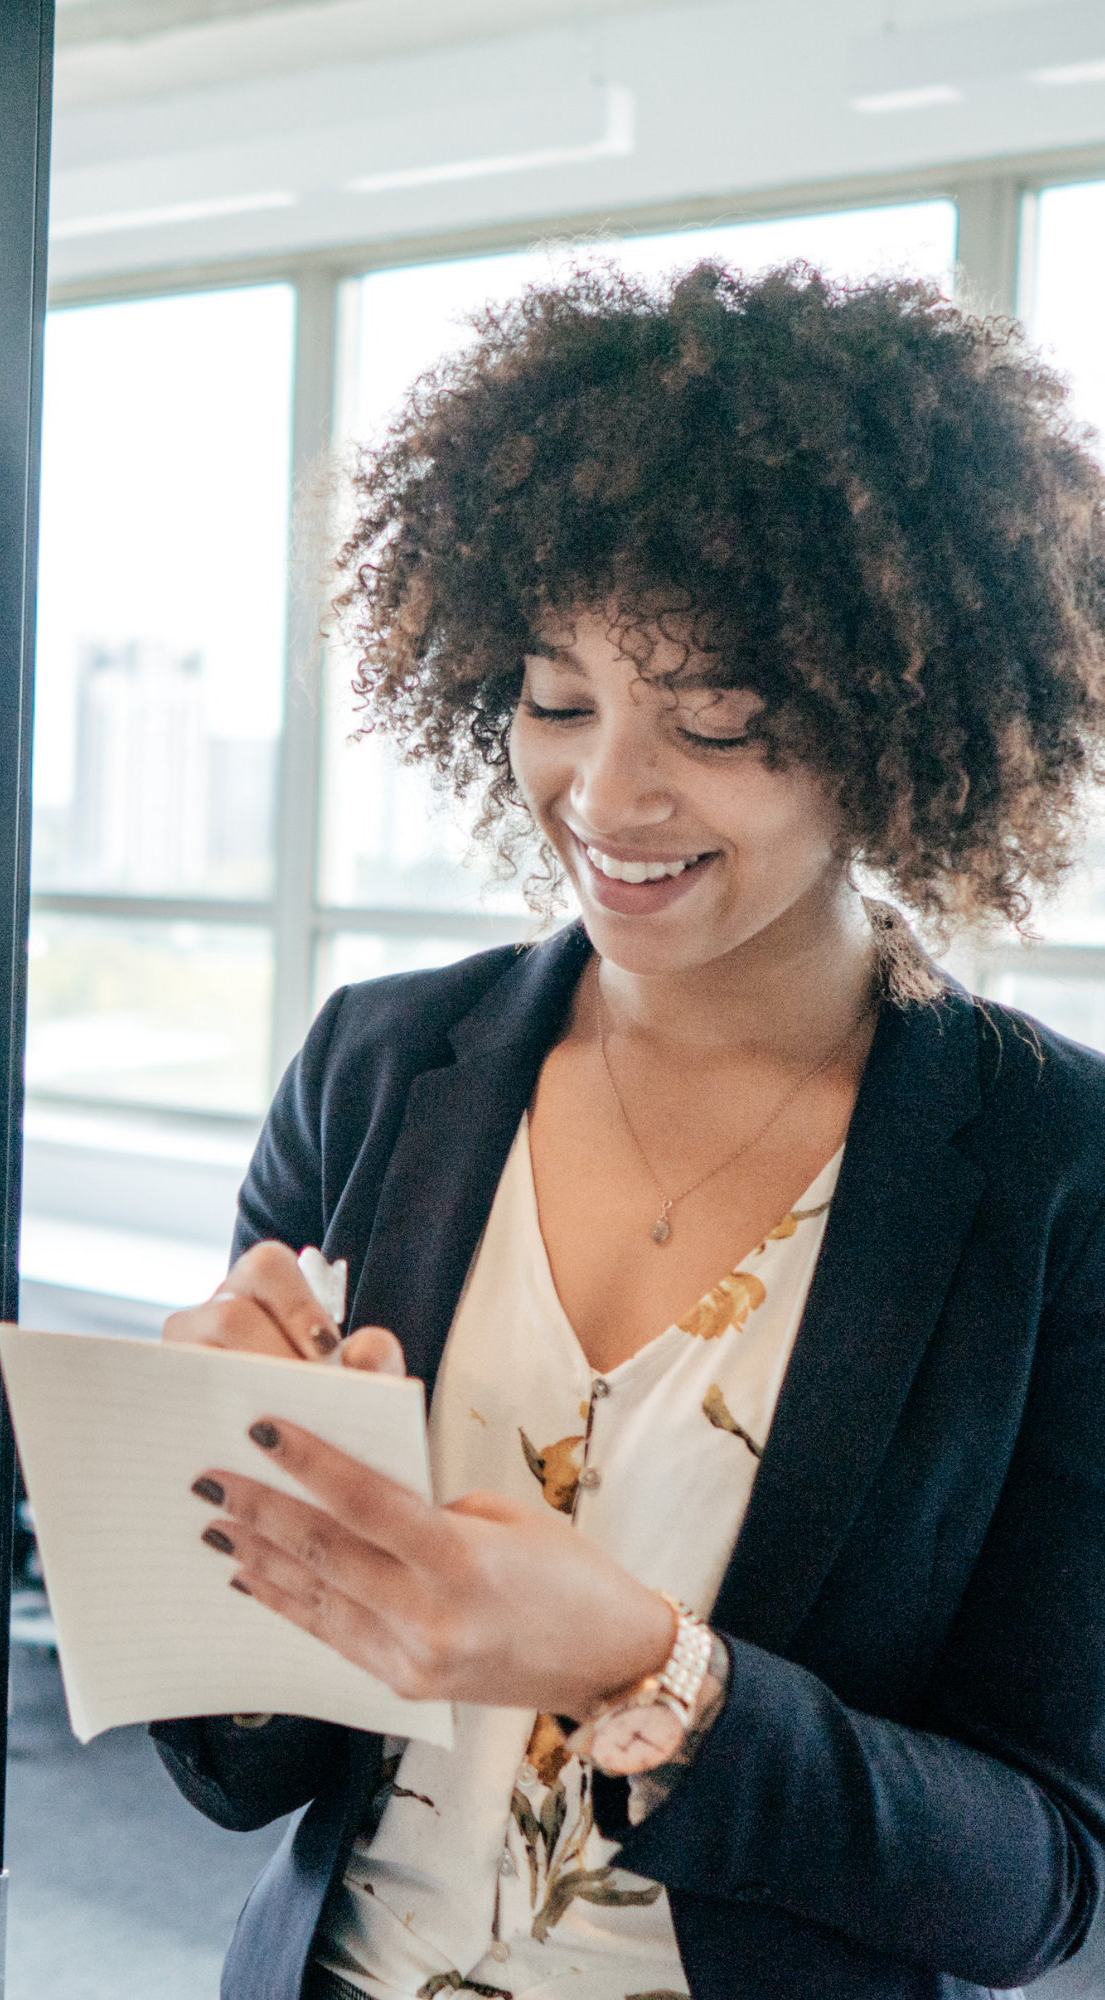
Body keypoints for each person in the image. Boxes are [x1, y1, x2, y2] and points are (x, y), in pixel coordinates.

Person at [152, 263, 1105, 2000]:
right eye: (556, 697)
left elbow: (1038, 1879)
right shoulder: (379, 1066)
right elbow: (241, 1768)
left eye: (716, 722)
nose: (605, 799)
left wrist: (653, 1671)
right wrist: (211, 1478)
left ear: (894, 727)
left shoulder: (1053, 1172)